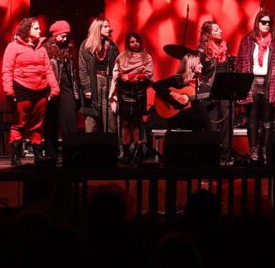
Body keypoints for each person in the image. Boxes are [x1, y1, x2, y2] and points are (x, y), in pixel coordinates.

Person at [2, 18, 59, 165]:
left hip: (40, 90)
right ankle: (15, 157)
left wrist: (54, 88)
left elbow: (48, 70)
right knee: (19, 123)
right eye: (36, 28)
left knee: (38, 125)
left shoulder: (41, 49)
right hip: (22, 89)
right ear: (27, 30)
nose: (39, 30)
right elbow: (7, 69)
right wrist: (8, 91)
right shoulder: (13, 47)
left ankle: (38, 156)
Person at [235, 10, 275, 162]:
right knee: (253, 118)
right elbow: (239, 62)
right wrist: (241, 83)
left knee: (268, 119)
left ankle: (265, 149)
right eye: (264, 22)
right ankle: (253, 150)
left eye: (269, 23)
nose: (267, 25)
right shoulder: (247, 40)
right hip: (252, 83)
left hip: (269, 83)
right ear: (257, 23)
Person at [109, 32, 154, 162]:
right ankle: (127, 153)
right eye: (132, 42)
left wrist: (133, 77)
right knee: (126, 123)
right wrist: (126, 77)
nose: (135, 44)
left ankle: (138, 152)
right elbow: (118, 75)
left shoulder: (147, 57)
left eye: (137, 41)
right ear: (128, 44)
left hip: (139, 92)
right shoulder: (121, 57)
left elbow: (149, 75)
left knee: (137, 123)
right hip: (125, 92)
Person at [42, 20, 80, 162]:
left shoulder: (69, 48)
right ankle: (51, 154)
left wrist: (76, 91)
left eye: (66, 36)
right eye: (62, 36)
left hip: (67, 89)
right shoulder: (46, 49)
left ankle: (71, 154)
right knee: (51, 123)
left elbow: (73, 71)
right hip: (51, 90)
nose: (65, 39)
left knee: (70, 122)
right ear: (55, 35)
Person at [197, 20, 232, 162]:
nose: (221, 31)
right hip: (210, 89)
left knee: (227, 122)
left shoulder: (225, 47)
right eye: (216, 29)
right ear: (209, 33)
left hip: (226, 88)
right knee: (212, 123)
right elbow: (200, 72)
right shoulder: (201, 50)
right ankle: (211, 156)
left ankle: (225, 156)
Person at [152, 53, 211, 133]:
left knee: (198, 114)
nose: (202, 66)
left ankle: (202, 138)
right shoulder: (178, 79)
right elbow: (156, 85)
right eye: (199, 63)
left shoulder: (199, 83)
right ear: (191, 64)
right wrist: (174, 95)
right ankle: (210, 136)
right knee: (199, 108)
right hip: (175, 116)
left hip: (190, 118)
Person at [79, 18, 119, 135]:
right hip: (94, 81)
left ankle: (110, 143)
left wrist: (115, 87)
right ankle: (91, 144)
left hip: (108, 81)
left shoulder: (112, 46)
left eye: (108, 26)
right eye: (105, 26)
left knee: (110, 115)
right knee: (92, 115)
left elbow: (117, 67)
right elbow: (83, 69)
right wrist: (87, 88)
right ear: (98, 28)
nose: (109, 29)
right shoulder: (86, 46)